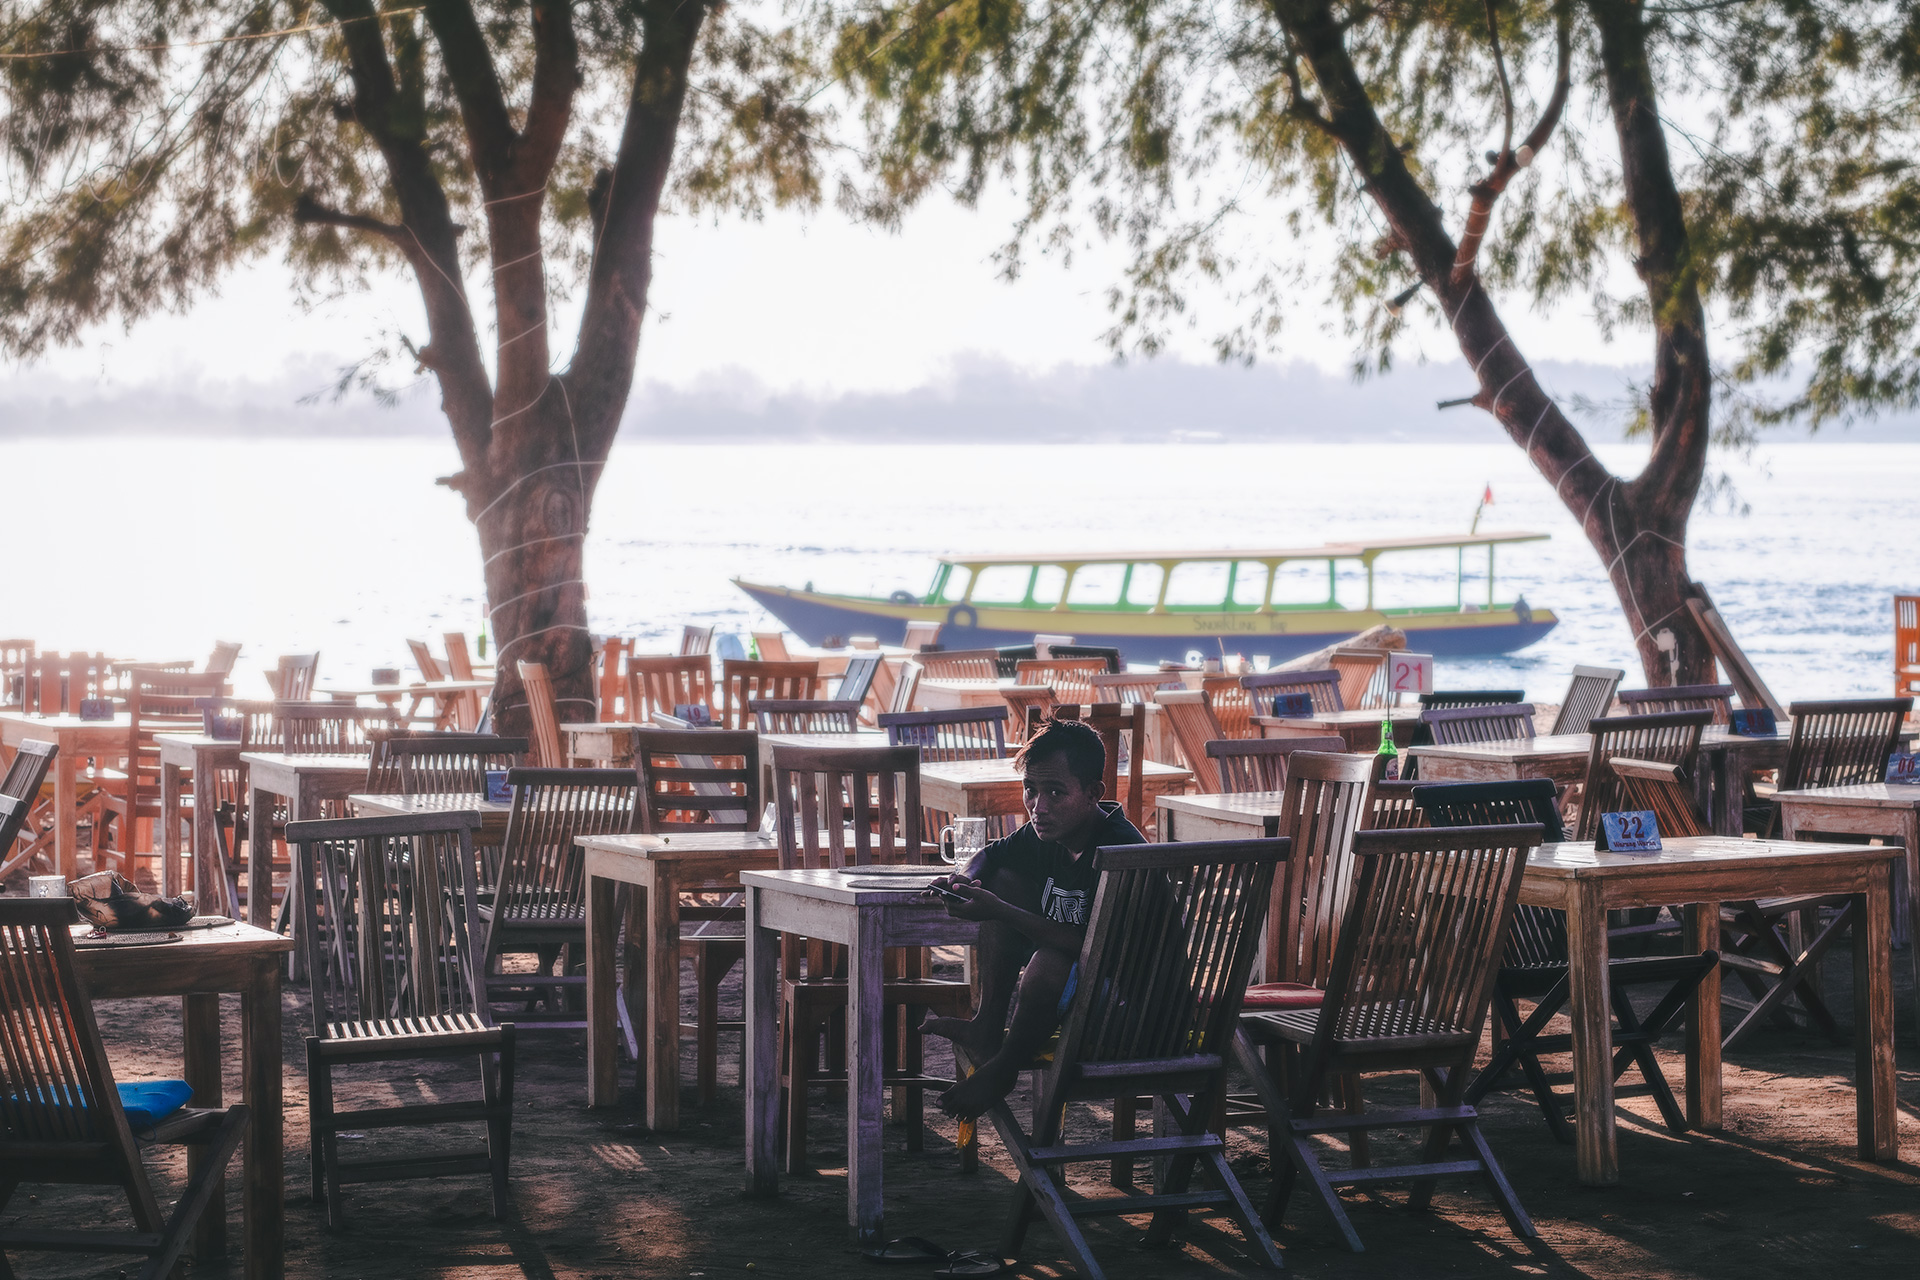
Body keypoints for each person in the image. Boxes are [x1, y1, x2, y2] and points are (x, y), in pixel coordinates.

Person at [922, 717, 1144, 1119]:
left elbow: (1093, 947)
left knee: (1049, 961)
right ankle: (988, 1024)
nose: (1038, 807)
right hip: (1087, 991)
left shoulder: (1120, 850)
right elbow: (991, 854)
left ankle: (1004, 1068)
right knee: (1002, 878)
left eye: (1055, 792)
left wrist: (998, 910)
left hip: (1131, 1011)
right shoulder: (1052, 830)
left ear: (1095, 793)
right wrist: (962, 879)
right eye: (1030, 790)